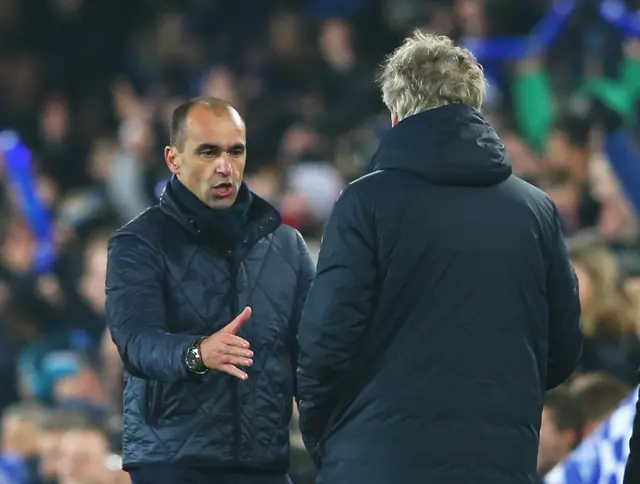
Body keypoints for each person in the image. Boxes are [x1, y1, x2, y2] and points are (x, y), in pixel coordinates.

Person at [296, 32, 583, 484]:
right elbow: (562, 351)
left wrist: (328, 444)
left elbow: (323, 349)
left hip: (374, 463)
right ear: (475, 107)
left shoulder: (365, 202)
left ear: (395, 115)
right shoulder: (536, 210)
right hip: (499, 465)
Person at [106, 97, 315, 484]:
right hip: (173, 461)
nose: (225, 166)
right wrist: (197, 353)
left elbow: (312, 359)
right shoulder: (138, 242)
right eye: (208, 152)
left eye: (236, 151)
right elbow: (136, 341)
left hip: (264, 462)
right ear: (173, 159)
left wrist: (330, 445)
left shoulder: (287, 246)